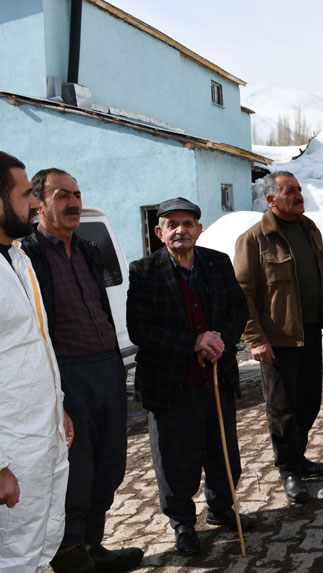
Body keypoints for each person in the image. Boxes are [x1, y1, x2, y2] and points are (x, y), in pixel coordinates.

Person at [19, 169, 143, 572]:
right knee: (76, 470)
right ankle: (70, 555)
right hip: (66, 376)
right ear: (39, 204)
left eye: (76, 194)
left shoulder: (89, 249)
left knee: (110, 463)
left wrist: (115, 366)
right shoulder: (26, 256)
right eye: (62, 195)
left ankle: (94, 548)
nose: (73, 203)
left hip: (107, 368)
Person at [127, 197, 252, 556]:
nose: (181, 230)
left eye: (188, 223)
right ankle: (182, 522)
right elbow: (140, 329)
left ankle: (221, 508)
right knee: (174, 461)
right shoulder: (144, 271)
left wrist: (220, 339)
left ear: (199, 228)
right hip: (170, 385)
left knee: (223, 451)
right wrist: (193, 342)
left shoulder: (217, 262)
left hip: (216, 379)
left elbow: (238, 309)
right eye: (172, 224)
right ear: (159, 232)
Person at [234, 171, 323, 505]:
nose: (298, 195)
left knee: (309, 401)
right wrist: (255, 338)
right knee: (282, 409)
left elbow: (320, 278)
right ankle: (288, 470)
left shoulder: (309, 228)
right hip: (278, 340)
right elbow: (242, 294)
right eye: (290, 191)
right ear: (271, 199)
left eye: (299, 189)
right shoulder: (254, 239)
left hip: (309, 331)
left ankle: (299, 456)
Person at [0, 151, 71, 571]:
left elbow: (35, 346)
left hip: (43, 436)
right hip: (11, 451)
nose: (35, 203)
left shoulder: (18, 257)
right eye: (26, 194)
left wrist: (58, 408)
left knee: (41, 543)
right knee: (13, 556)